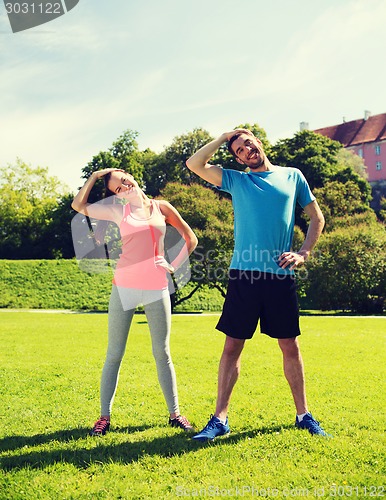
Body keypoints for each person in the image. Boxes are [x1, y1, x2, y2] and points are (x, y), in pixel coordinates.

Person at [186, 128, 329, 440]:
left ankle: (303, 415)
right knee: (232, 346)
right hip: (245, 275)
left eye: (248, 143)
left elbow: (316, 218)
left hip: (281, 277)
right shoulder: (238, 180)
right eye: (238, 150)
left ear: (259, 142)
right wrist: (224, 137)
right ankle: (220, 418)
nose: (246, 150)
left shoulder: (293, 176)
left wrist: (303, 253)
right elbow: (194, 164)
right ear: (237, 158)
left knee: (290, 345)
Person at [71, 168, 198, 435]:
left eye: (124, 180)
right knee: (114, 354)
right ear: (116, 196)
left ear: (132, 176)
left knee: (162, 353)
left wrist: (173, 265)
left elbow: (190, 239)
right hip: (124, 287)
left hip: (156, 287)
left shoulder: (161, 207)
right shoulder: (119, 211)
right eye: (117, 188)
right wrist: (95, 177)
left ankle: (175, 414)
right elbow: (78, 205)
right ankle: (104, 417)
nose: (124, 187)